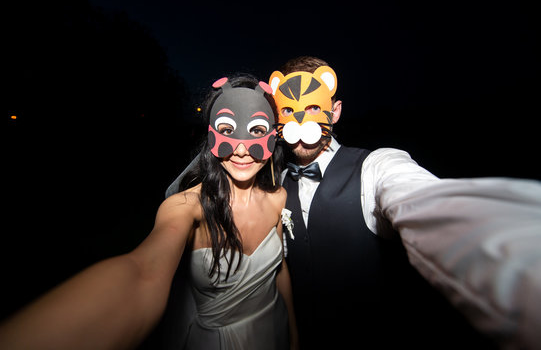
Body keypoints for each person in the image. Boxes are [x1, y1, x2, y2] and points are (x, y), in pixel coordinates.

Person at [0, 74, 299, 350]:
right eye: (227, 130)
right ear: (211, 137)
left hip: (273, 330)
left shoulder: (278, 198)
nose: (243, 150)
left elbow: (279, 270)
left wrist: (294, 334)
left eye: (257, 131)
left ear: (273, 136)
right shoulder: (185, 207)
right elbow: (144, 272)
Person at [268, 56, 541, 349]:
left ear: (334, 111)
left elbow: (429, 204)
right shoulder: (278, 184)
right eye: (288, 110)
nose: (301, 120)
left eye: (312, 107)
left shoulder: (376, 165)